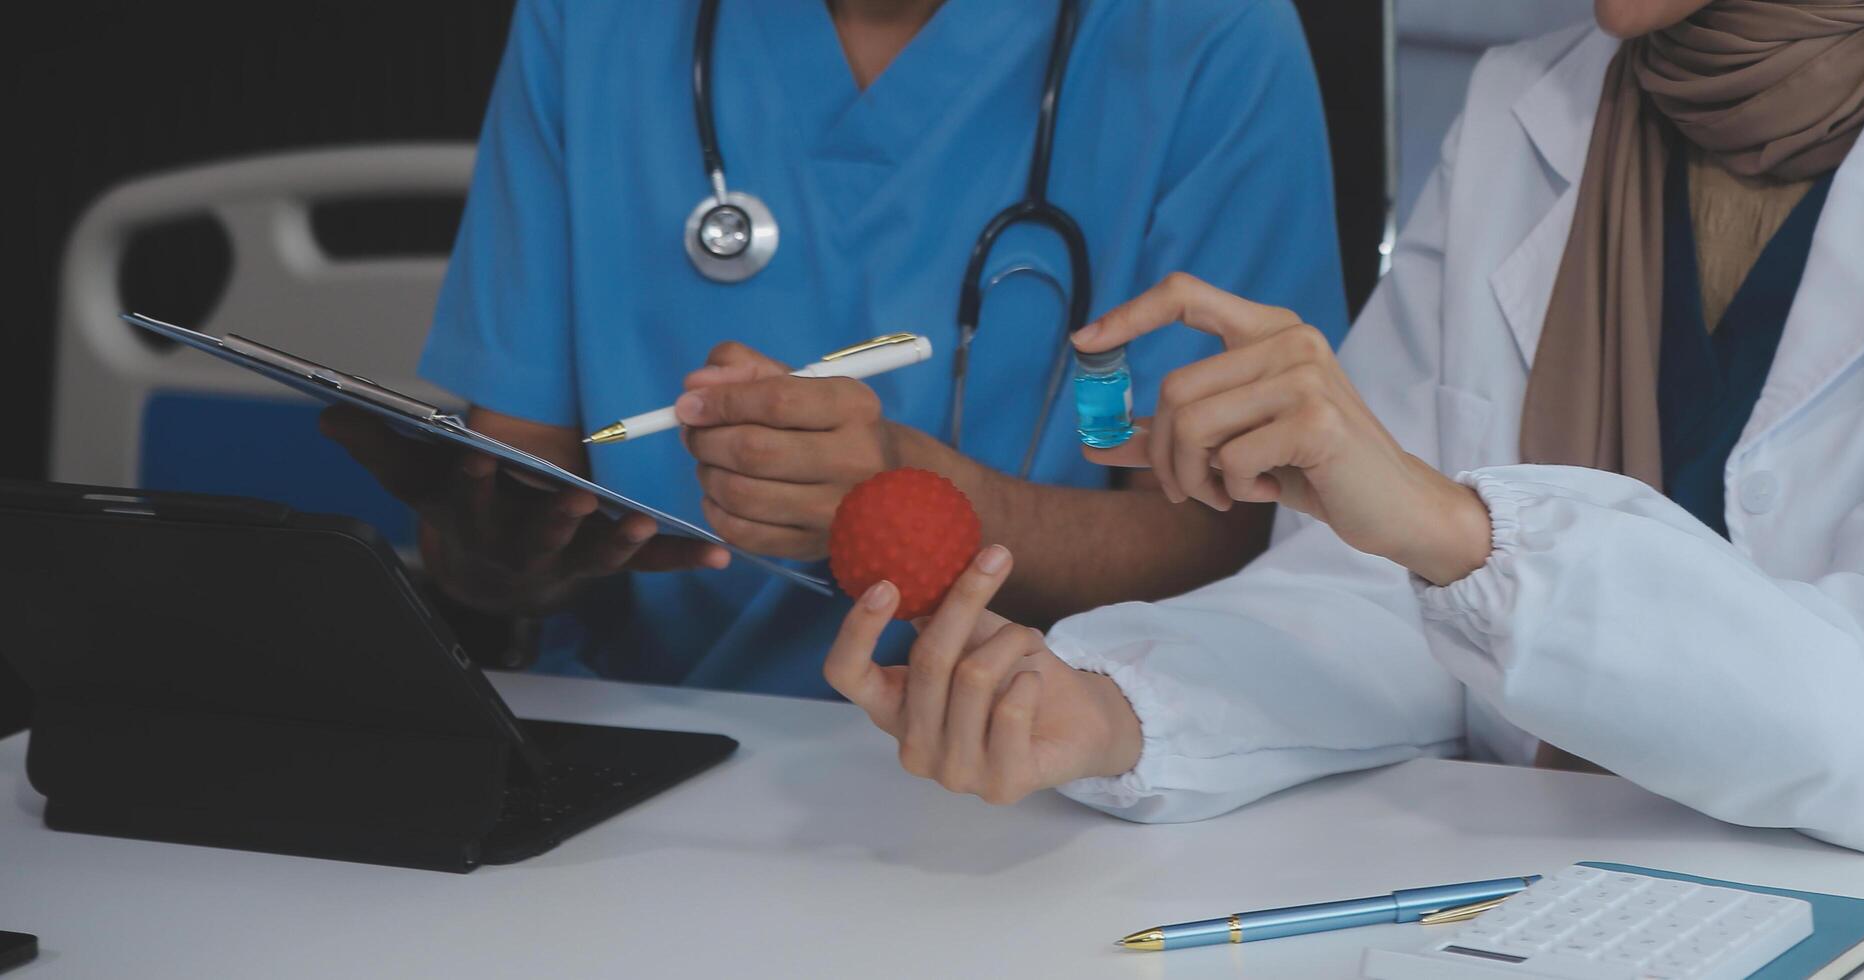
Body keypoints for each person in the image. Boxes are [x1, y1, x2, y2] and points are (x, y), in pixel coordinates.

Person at [816, 0, 1864, 855]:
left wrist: (1458, 528)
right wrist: (1117, 708)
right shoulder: (1532, 108)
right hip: (1587, 883)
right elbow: (1375, 606)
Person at [324, 0, 1348, 696]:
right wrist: (498, 554)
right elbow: (516, 486)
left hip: (1055, 751)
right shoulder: (596, 23)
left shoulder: (1208, 37)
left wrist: (914, 492)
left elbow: (1223, 543)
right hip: (652, 738)